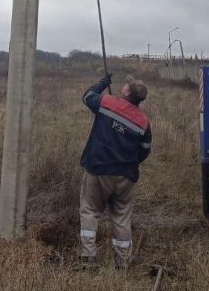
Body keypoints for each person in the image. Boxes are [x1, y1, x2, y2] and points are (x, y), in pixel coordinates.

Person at [79, 73, 151, 269]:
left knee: (90, 211)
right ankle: (123, 261)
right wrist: (128, 162)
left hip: (98, 169)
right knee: (121, 218)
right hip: (125, 176)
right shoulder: (143, 121)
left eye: (127, 85)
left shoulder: (108, 102)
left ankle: (88, 257)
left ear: (126, 91)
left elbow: (87, 96)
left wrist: (102, 82)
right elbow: (145, 150)